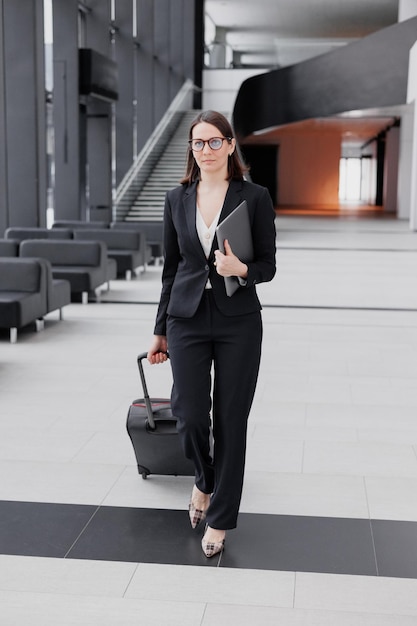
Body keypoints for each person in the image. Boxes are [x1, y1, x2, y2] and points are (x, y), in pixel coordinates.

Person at [147, 110, 276, 557]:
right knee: (189, 415)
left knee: (230, 421)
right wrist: (160, 330)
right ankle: (204, 481)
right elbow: (169, 271)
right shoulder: (176, 198)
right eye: (198, 144)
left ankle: (220, 519)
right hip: (186, 318)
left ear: (230, 145)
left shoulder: (254, 197)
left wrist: (240, 269)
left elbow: (268, 266)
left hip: (239, 319)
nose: (206, 151)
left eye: (214, 142)